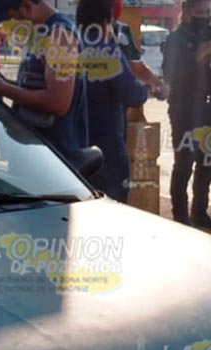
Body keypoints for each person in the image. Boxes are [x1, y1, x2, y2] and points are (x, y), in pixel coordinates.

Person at [0, 0, 88, 163]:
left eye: (10, 18)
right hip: (37, 154)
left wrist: (4, 89)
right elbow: (41, 86)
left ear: (27, 6)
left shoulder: (59, 36)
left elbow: (58, 102)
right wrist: (6, 83)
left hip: (56, 158)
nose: (9, 25)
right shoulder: (42, 34)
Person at [163, 0, 211, 229]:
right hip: (185, 108)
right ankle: (181, 217)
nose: (205, 16)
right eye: (199, 11)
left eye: (208, 11)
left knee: (207, 163)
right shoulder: (176, 39)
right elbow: (170, 76)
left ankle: (200, 212)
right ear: (186, 11)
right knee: (185, 163)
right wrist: (196, 58)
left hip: (210, 107)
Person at [76, 0, 147, 202]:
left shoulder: (68, 47)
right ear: (106, 21)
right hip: (107, 149)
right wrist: (146, 89)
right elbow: (133, 95)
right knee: (113, 205)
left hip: (73, 147)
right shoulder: (107, 51)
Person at [110, 0, 166, 97]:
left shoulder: (122, 31)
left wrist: (158, 84)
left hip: (116, 102)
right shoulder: (80, 34)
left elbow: (138, 69)